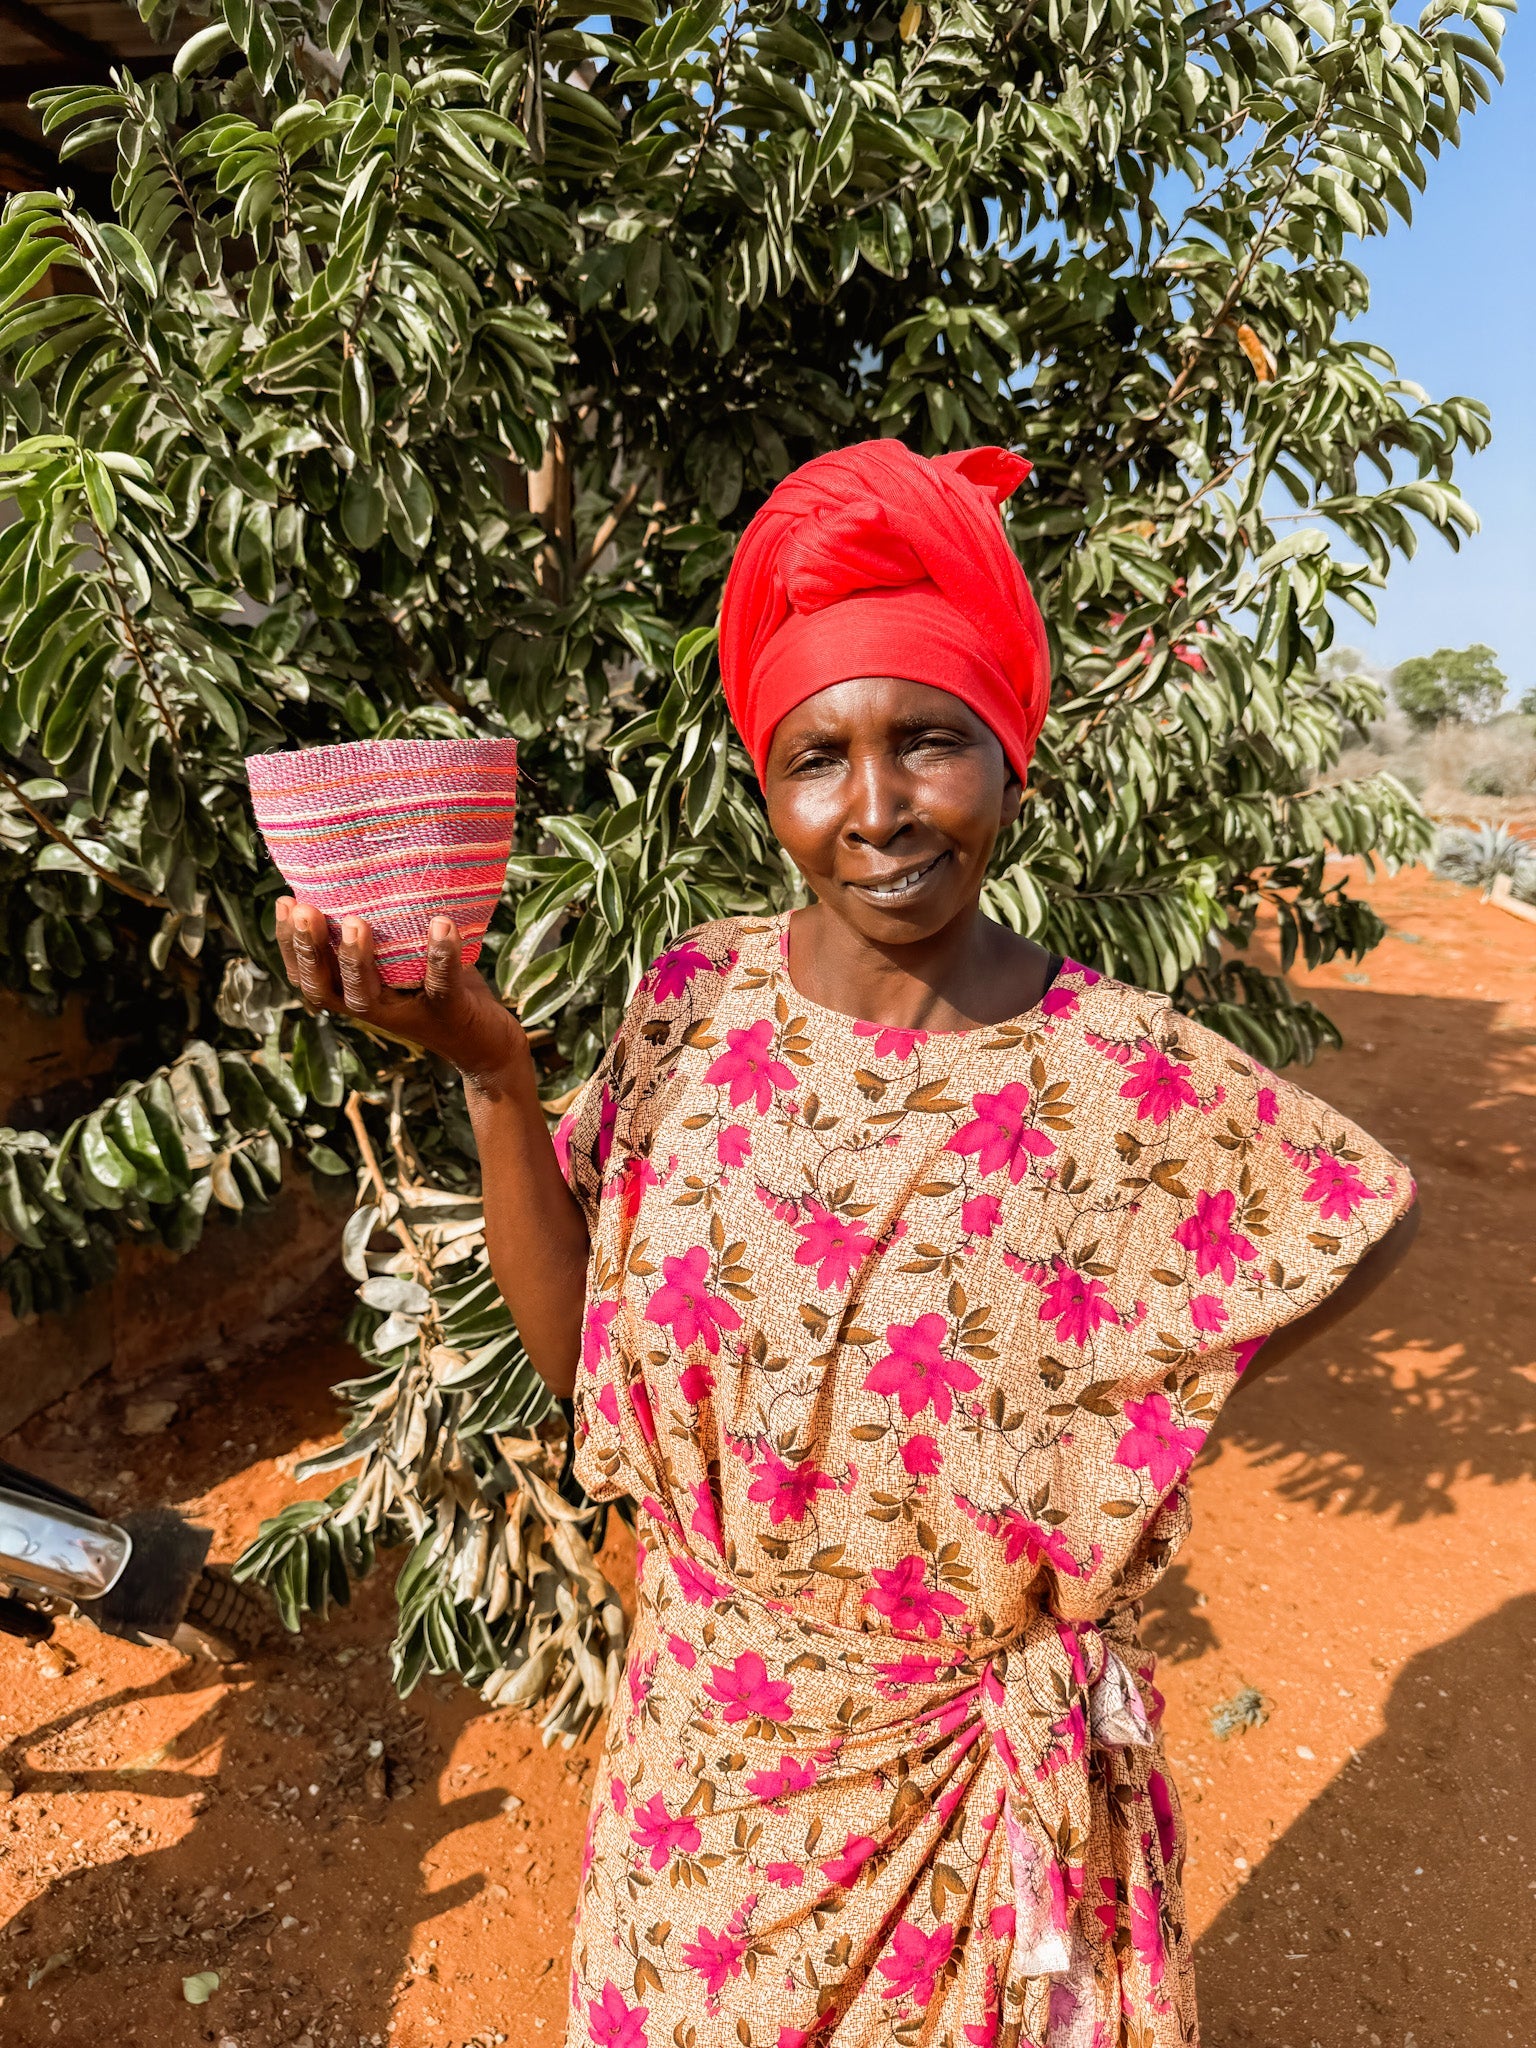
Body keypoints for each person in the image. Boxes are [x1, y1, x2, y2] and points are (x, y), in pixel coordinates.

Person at [274, 439, 1418, 2048]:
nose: (877, 810)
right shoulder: (694, 1006)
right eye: (820, 758)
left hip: (960, 1815)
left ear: (1011, 754)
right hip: (701, 1784)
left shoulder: (1126, 1081)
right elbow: (576, 1360)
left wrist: (1123, 1397)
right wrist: (495, 1076)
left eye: (932, 742)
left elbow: (1360, 1209)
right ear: (768, 783)